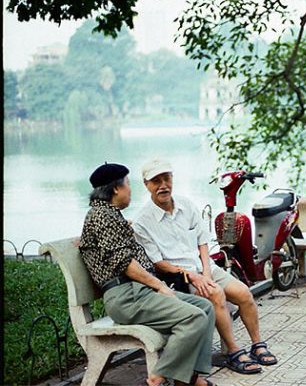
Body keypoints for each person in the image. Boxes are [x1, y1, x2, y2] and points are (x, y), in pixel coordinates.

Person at [132, 158, 277, 376]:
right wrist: (195, 277)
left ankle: (257, 344)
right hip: (179, 276)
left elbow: (202, 241)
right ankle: (233, 352)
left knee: (244, 293)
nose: (163, 185)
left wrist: (206, 273)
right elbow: (158, 262)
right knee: (216, 294)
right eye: (156, 181)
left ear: (172, 179)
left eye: (166, 178)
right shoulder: (143, 221)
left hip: (204, 267)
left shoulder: (186, 205)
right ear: (146, 185)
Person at [78, 162, 216, 386]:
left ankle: (188, 378)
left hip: (136, 292)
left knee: (205, 307)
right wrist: (160, 286)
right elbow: (125, 264)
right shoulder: (103, 217)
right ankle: (156, 378)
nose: (130, 190)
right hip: (126, 296)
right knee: (193, 317)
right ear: (116, 189)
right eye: (128, 184)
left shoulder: (109, 216)